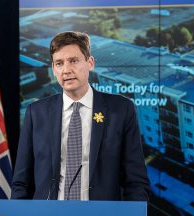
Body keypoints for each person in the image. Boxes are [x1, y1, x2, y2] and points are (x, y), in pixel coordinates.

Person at [11, 31, 151, 201]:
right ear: (54, 69)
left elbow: (136, 181)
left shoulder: (121, 110)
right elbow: (21, 182)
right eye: (59, 63)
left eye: (74, 61)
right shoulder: (36, 113)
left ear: (90, 63)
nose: (66, 70)